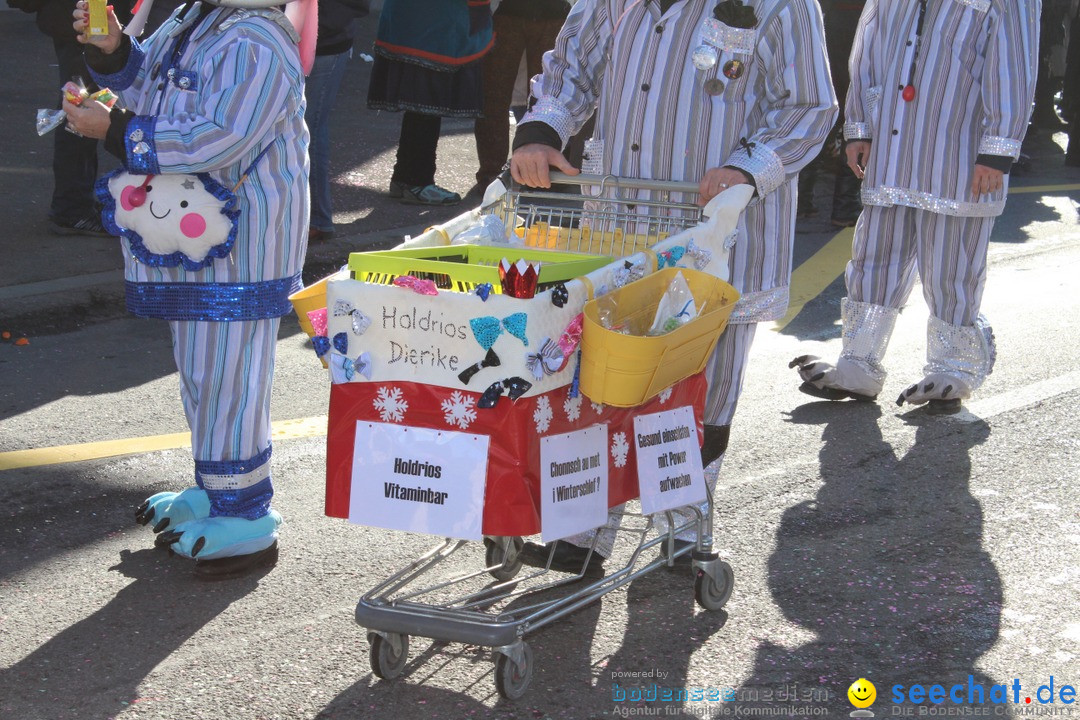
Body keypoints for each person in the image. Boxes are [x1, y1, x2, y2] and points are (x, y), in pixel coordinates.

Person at [510, 0, 837, 572]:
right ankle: (584, 531)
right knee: (601, 376)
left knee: (704, 388)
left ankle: (682, 528)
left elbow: (809, 106)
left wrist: (749, 166)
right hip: (620, 227)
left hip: (722, 231)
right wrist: (539, 134)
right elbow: (571, 70)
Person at [63, 0, 311, 576]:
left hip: (242, 238)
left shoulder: (254, 37)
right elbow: (153, 81)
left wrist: (116, 130)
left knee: (228, 371)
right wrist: (114, 51)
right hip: (201, 230)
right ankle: (216, 487)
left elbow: (218, 139)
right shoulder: (205, 16)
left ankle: (246, 513)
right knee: (203, 367)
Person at [791, 0, 1040, 415]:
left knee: (952, 263)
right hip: (891, 146)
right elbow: (868, 50)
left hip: (960, 150)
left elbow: (1013, 63)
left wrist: (998, 149)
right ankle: (858, 363)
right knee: (874, 254)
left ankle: (953, 367)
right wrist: (859, 128)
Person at [8, 0, 133, 237]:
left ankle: (76, 204)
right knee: (80, 109)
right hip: (86, 21)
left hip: (82, 20)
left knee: (83, 105)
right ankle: (72, 208)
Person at [367, 0, 494, 206]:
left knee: (420, 105)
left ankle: (405, 178)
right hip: (434, 25)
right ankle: (418, 182)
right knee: (426, 102)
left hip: (413, 21)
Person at [470, 0, 571, 201]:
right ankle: (492, 174)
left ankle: (546, 170)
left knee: (551, 93)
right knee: (494, 97)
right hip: (509, 13)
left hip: (554, 14)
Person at [305, 0, 370, 243]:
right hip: (304, 36)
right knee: (302, 130)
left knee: (307, 131)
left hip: (323, 42)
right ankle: (313, 218)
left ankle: (317, 219)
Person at [797, 0, 865, 227]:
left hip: (831, 27)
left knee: (824, 118)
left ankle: (801, 200)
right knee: (856, 120)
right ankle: (845, 207)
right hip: (862, 28)